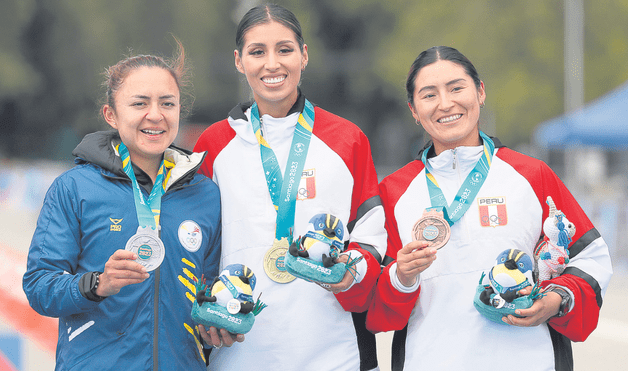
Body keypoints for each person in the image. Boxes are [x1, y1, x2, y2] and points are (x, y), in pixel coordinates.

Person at [366, 46, 613, 371]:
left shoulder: (531, 174)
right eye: (429, 95)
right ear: (413, 109)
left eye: (456, 88)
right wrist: (402, 275)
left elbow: (590, 257)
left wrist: (555, 300)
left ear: (480, 92)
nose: (445, 103)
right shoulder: (394, 192)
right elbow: (377, 309)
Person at [193, 4, 386, 371]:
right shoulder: (213, 144)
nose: (272, 64)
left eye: (284, 49)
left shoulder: (347, 139)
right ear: (238, 61)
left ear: (304, 55)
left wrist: (351, 271)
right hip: (239, 351)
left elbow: (371, 230)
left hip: (334, 351)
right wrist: (205, 307)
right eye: (257, 52)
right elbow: (198, 243)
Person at [22, 41, 223, 370]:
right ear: (111, 115)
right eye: (139, 103)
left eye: (167, 103)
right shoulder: (75, 189)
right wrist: (98, 283)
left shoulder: (205, 194)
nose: (155, 115)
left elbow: (210, 288)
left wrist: (219, 322)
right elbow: (38, 286)